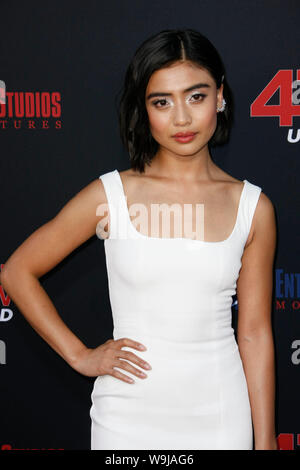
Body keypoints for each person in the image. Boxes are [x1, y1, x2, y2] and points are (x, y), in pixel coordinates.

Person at [0, 29, 277, 450]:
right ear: (144, 110)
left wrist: (267, 440)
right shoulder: (110, 196)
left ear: (220, 96)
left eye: (196, 96)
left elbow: (255, 333)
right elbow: (18, 270)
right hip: (127, 415)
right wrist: (80, 355)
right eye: (161, 102)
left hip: (221, 414)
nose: (181, 118)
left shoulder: (253, 208)